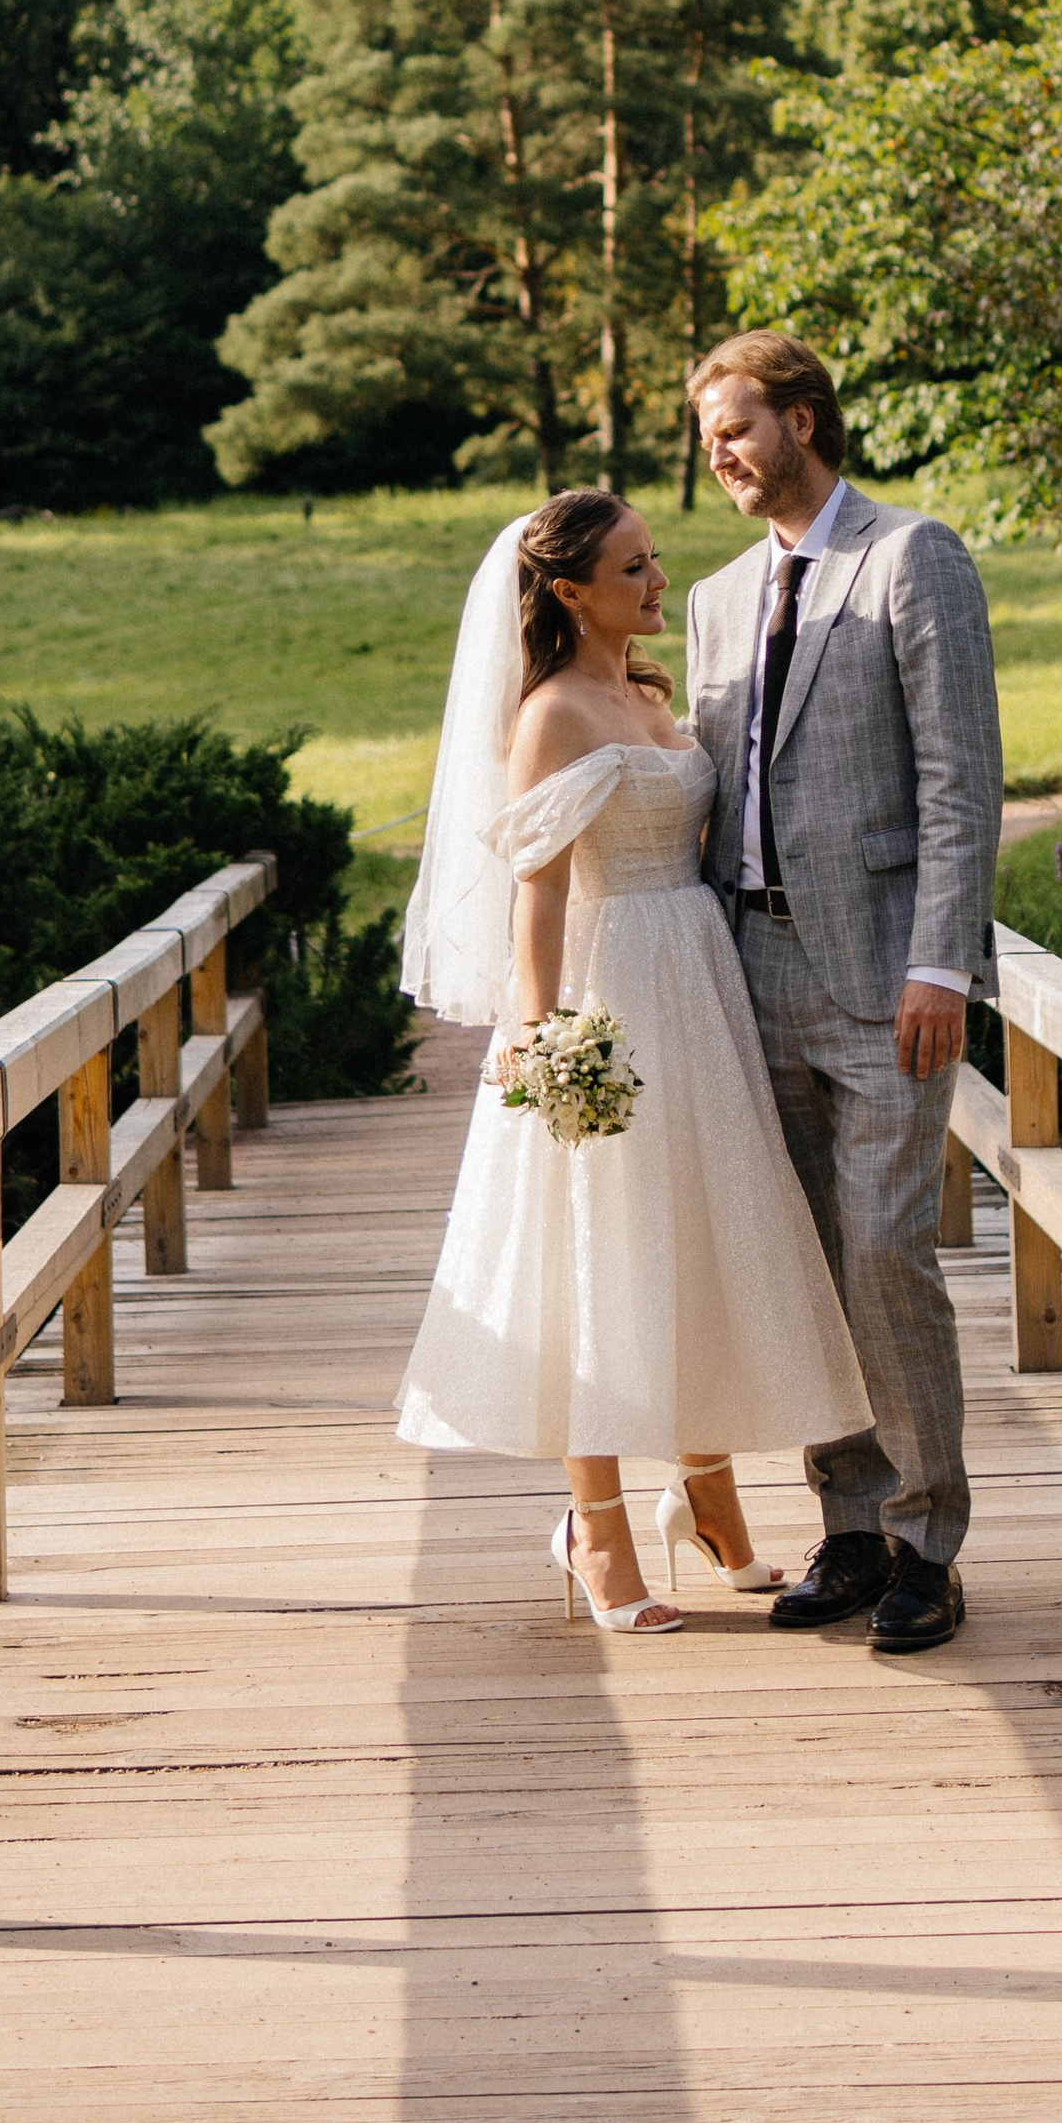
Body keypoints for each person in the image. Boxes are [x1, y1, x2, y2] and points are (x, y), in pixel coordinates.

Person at [394, 488, 870, 1633]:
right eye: (630, 568)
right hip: (610, 987)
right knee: (597, 1250)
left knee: (695, 1232)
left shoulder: (650, 695)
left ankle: (708, 1497)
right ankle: (595, 1528)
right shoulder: (553, 712)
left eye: (653, 557)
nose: (659, 580)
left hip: (698, 982)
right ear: (568, 591)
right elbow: (539, 887)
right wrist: (540, 1029)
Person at [683, 331, 1002, 1655]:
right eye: (708, 436)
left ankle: (928, 1542)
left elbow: (960, 780)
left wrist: (942, 962)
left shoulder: (912, 556)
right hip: (746, 969)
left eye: (736, 428)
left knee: (883, 1250)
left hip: (884, 972)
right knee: (808, 1262)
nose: (719, 454)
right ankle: (851, 1523)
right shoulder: (714, 600)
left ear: (804, 419)